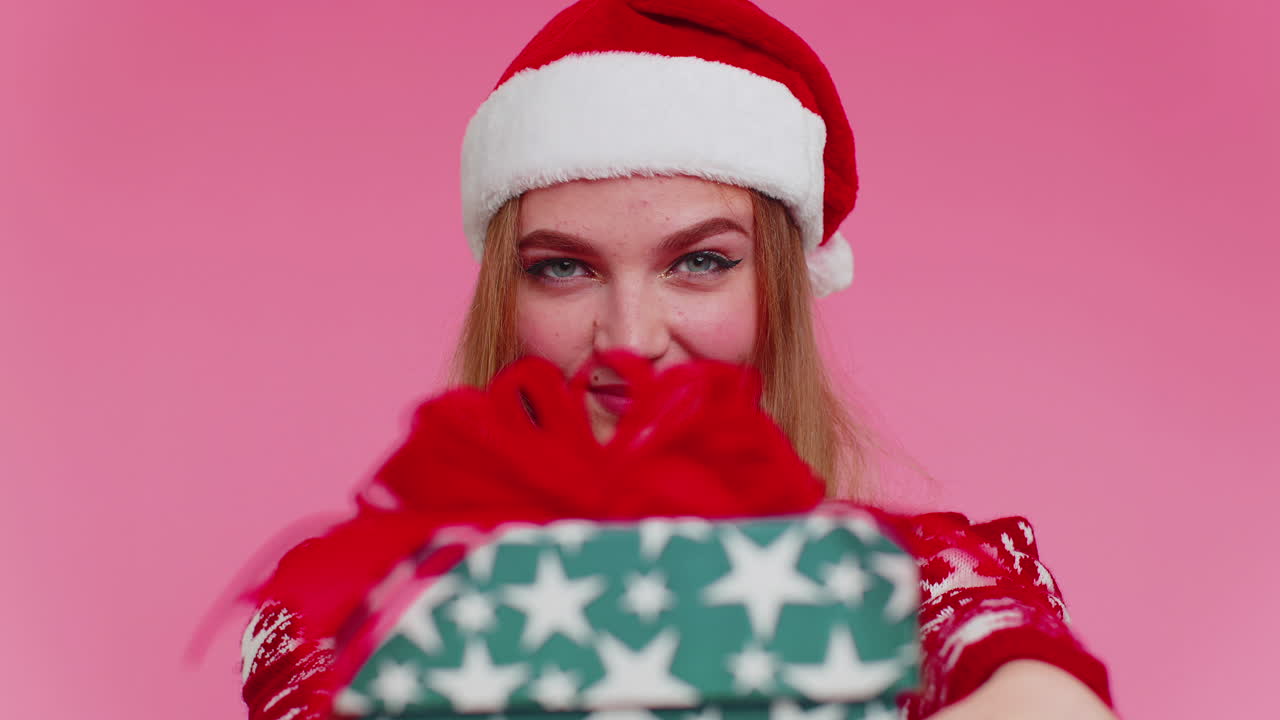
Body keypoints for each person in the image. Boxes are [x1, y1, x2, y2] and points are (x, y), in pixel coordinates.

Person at [238, 1, 1115, 718]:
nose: (628, 338)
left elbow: (1042, 698)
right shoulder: (370, 602)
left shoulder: (906, 579)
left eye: (700, 261)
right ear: (507, 299)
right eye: (563, 267)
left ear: (777, 289)